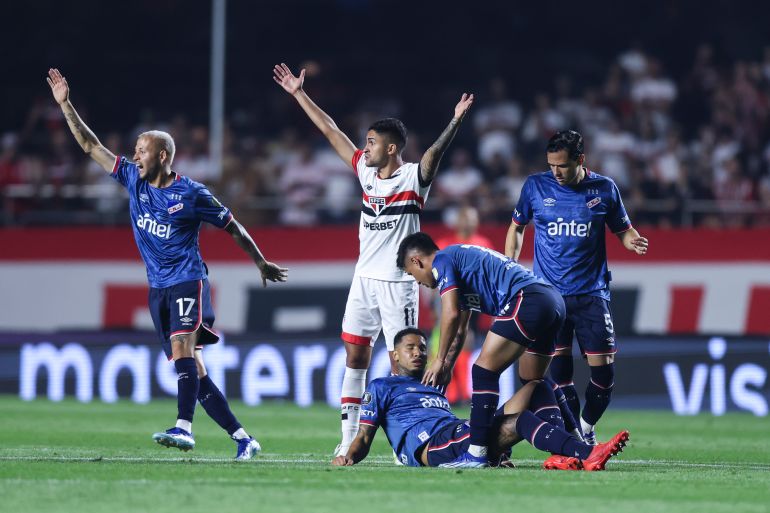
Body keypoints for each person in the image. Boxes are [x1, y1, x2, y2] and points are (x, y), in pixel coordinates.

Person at [47, 68, 288, 460]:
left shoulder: (191, 193)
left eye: (141, 150)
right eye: (135, 150)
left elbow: (232, 225)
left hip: (188, 281)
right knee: (194, 370)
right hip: (157, 287)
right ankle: (244, 438)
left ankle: (183, 427)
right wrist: (65, 105)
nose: (134, 155)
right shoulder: (133, 179)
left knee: (182, 348)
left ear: (161, 156)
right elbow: (91, 146)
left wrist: (260, 262)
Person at [273, 63, 474, 457]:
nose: (364, 148)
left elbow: (434, 154)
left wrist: (454, 122)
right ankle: (348, 438)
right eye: (365, 142)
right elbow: (331, 130)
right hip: (363, 279)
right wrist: (299, 94)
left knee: (408, 365)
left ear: (391, 148)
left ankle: (415, 435)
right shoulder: (366, 175)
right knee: (355, 355)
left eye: (371, 143)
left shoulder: (413, 179)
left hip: (399, 285)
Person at [505, 130, 648, 445]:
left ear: (581, 160)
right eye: (551, 165)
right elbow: (516, 228)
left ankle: (586, 425)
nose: (555, 173)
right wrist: (511, 265)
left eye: (563, 166)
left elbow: (623, 229)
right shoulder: (535, 187)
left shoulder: (604, 189)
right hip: (549, 298)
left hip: (591, 296)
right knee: (558, 374)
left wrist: (632, 241)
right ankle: (576, 436)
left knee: (604, 374)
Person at [331, 328, 629, 470]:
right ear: (394, 355)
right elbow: (365, 435)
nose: (418, 352)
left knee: (538, 386)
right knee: (521, 421)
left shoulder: (432, 384)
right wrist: (348, 457)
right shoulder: (381, 386)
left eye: (422, 348)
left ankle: (564, 453)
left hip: (458, 433)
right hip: (433, 446)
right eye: (410, 348)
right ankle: (585, 453)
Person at [397, 232, 566, 468]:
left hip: (526, 299)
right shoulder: (461, 266)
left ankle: (477, 453)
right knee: (533, 381)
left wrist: (438, 359)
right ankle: (572, 444)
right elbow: (459, 329)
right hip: (551, 299)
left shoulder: (442, 260)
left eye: (411, 274)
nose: (417, 282)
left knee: (483, 372)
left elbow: (451, 313)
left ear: (416, 261)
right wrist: (448, 364)